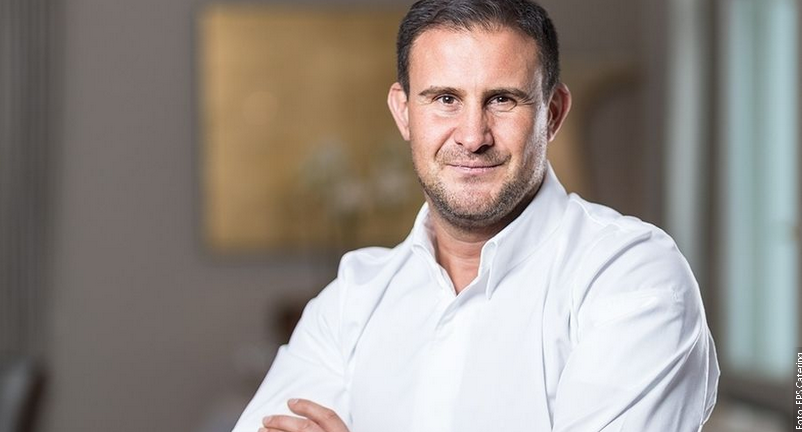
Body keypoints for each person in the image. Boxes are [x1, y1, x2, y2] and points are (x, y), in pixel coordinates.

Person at [233, 0, 720, 431]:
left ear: (553, 112)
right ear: (403, 112)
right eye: (445, 99)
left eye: (502, 100)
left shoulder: (631, 277)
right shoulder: (351, 300)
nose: (472, 136)